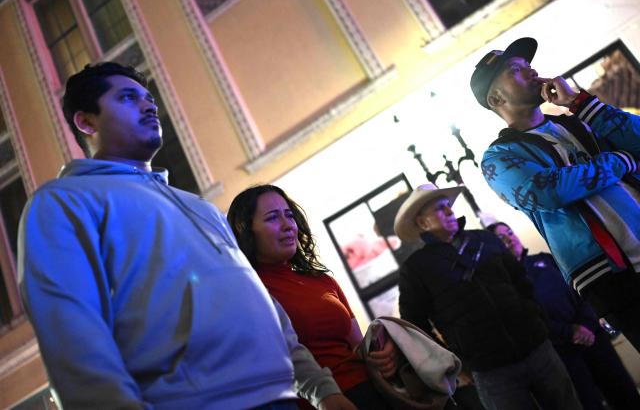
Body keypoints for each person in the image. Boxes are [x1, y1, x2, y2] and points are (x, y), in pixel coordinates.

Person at [18, 62, 357, 410]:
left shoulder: (201, 208)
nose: (150, 105)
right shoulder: (62, 202)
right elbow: (70, 334)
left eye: (150, 98)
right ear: (86, 121)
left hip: (284, 399)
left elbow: (267, 311)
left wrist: (322, 389)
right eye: (127, 98)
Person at [472, 37, 640, 352]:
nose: (531, 70)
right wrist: (621, 160)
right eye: (516, 70)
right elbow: (549, 191)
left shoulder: (580, 120)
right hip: (608, 274)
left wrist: (580, 103)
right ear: (496, 98)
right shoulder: (499, 157)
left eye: (527, 65)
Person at [394, 183, 582, 410]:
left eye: (449, 206)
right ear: (423, 222)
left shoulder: (486, 239)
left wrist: (537, 323)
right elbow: (415, 327)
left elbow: (522, 284)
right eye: (440, 209)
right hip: (489, 370)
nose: (450, 211)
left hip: (537, 349)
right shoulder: (416, 269)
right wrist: (453, 365)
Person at [227, 185, 398, 410]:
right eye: (272, 218)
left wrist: (383, 353)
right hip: (319, 402)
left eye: (289, 215)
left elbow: (358, 345)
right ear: (246, 231)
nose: (288, 225)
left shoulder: (321, 280)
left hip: (374, 391)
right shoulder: (248, 291)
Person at [488, 222, 640, 410]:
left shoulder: (545, 259)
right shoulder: (505, 282)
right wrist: (569, 332)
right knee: (588, 401)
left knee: (622, 389)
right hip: (561, 350)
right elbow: (527, 317)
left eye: (509, 232)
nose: (508, 238)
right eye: (501, 238)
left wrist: (585, 322)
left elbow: (579, 288)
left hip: (592, 336)